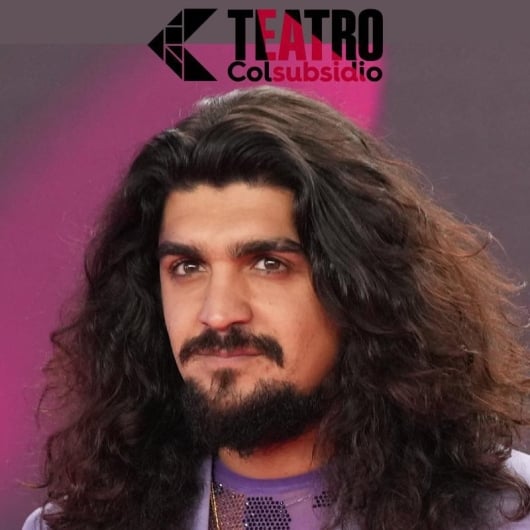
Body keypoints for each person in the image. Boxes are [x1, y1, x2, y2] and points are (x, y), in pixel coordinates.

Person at [23, 86, 530, 530]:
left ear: (361, 287)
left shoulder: (511, 514)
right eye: (187, 267)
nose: (218, 313)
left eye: (268, 264)